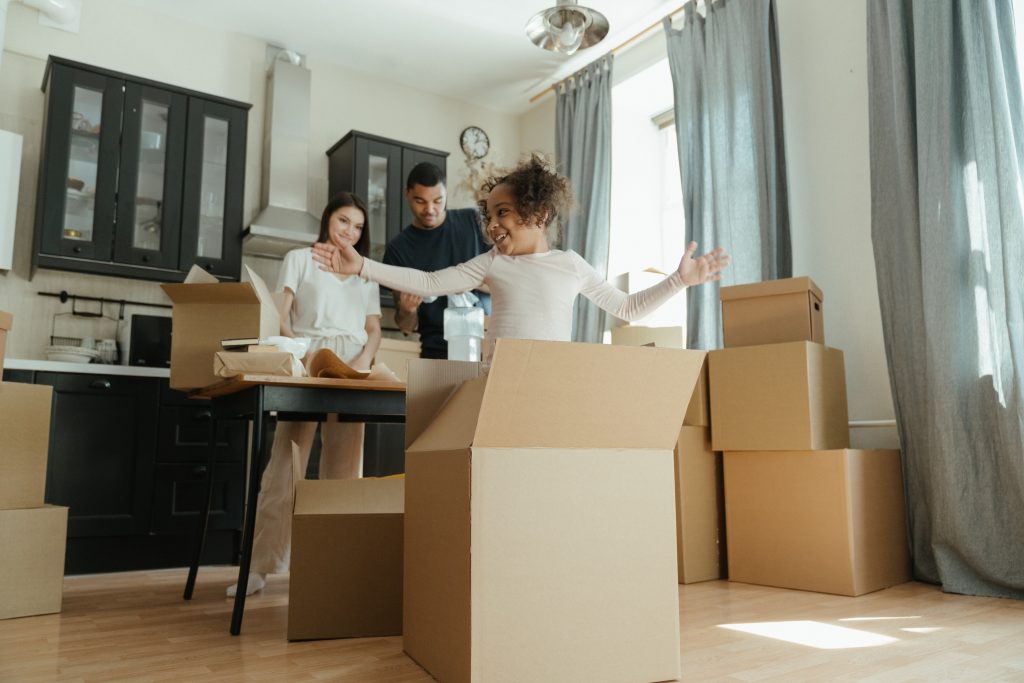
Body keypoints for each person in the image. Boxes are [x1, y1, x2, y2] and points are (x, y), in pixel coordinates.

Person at [312, 155, 729, 359]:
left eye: (503, 213)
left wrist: (679, 281)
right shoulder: (494, 262)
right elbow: (431, 282)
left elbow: (628, 306)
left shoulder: (571, 265)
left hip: (552, 379)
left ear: (539, 213)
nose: (492, 225)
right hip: (497, 379)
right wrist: (362, 266)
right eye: (488, 216)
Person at [228, 191, 381, 597]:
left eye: (358, 226)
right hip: (308, 360)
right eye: (344, 220)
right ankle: (261, 567)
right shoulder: (299, 259)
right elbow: (280, 315)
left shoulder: (364, 272)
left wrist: (364, 361)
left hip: (352, 368)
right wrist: (304, 349)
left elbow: (374, 329)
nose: (351, 230)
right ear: (328, 220)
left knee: (346, 471)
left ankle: (336, 564)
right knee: (284, 464)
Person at [383, 162, 490, 359]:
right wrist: (408, 310)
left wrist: (466, 280)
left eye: (438, 201)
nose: (430, 209)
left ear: (446, 194)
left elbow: (505, 280)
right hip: (436, 351)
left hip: (487, 345)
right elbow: (406, 327)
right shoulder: (398, 249)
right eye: (420, 201)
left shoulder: (473, 222)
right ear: (407, 194)